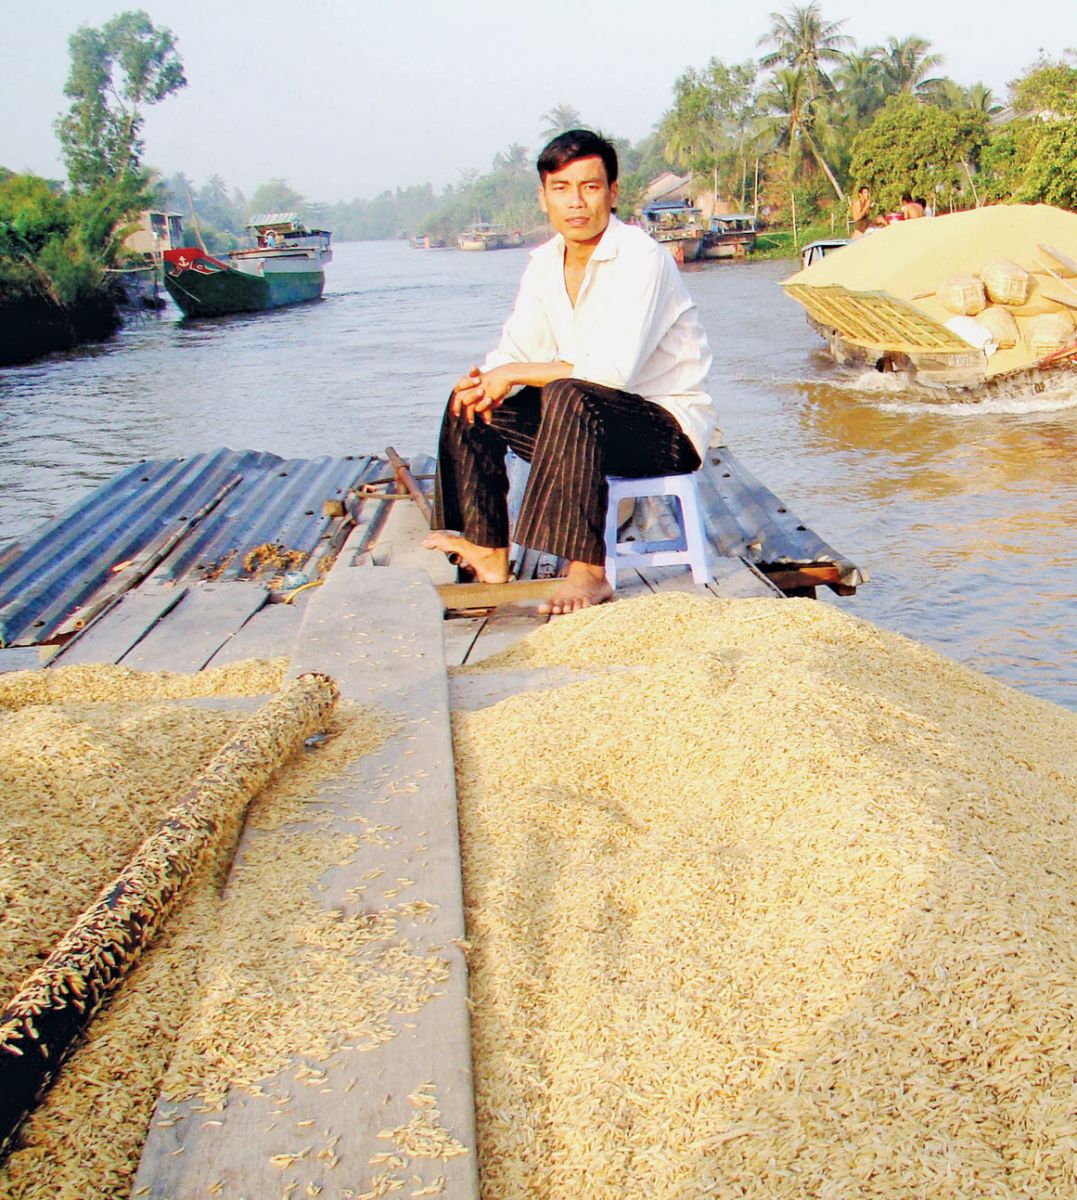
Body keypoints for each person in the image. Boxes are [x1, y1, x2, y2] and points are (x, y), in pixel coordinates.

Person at [423, 129, 717, 615]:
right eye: (561, 188)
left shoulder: (641, 259)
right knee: (471, 403)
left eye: (590, 187)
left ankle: (588, 569)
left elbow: (611, 373)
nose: (575, 203)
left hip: (666, 432)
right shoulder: (543, 265)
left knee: (568, 394)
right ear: (543, 197)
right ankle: (490, 554)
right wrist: (488, 378)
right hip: (585, 424)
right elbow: (518, 346)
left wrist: (515, 371)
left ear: (612, 193)